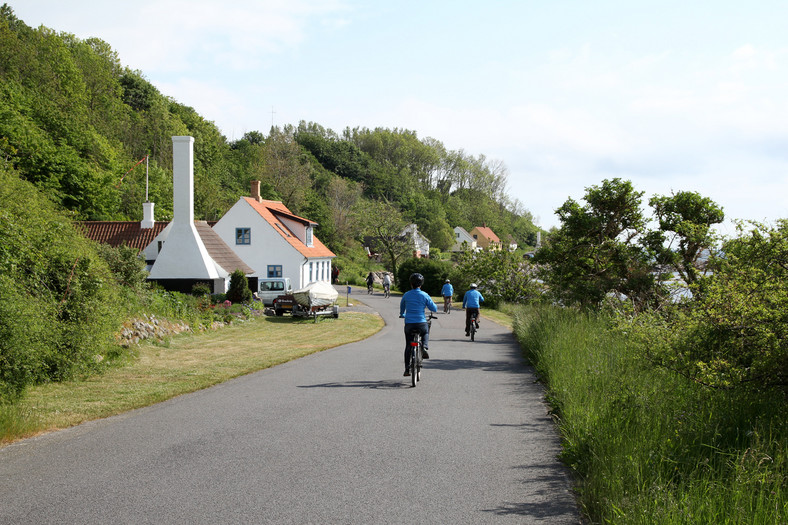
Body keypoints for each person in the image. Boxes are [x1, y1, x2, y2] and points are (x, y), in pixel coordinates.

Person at [399, 273, 438, 376]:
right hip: (421, 322)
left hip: (409, 324)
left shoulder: (406, 294)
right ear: (421, 284)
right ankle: (424, 346)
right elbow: (434, 308)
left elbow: (402, 306)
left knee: (408, 345)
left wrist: (402, 314)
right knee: (425, 331)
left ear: (411, 284)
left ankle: (407, 369)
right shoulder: (424, 295)